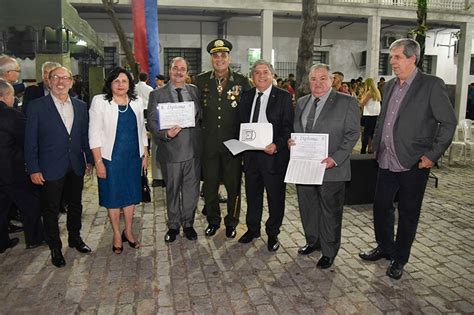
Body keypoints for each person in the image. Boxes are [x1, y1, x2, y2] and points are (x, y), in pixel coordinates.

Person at [359, 38, 457, 280]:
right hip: (386, 160)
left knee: (408, 212)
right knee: (381, 207)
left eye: (397, 57)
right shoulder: (390, 85)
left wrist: (432, 155)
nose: (392, 61)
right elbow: (384, 120)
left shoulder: (432, 85)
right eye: (391, 57)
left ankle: (399, 258)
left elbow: (448, 122)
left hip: (414, 162)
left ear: (413, 58)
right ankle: (385, 246)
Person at [289, 64, 359, 269]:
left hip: (332, 168)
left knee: (330, 212)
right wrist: (292, 142)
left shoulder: (347, 102)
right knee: (308, 208)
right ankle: (313, 241)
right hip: (306, 167)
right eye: (313, 79)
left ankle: (329, 251)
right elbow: (297, 129)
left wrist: (335, 158)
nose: (317, 83)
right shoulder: (302, 102)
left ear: (331, 80)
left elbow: (353, 134)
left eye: (322, 78)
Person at [24, 66, 93, 268]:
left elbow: (83, 136)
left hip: (75, 165)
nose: (61, 82)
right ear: (49, 81)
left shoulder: (80, 106)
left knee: (76, 205)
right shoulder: (37, 106)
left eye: (65, 78)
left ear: (71, 82)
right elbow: (30, 141)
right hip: (49, 167)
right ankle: (55, 247)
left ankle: (75, 238)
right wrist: (33, 168)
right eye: (56, 78)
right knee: (51, 209)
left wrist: (88, 159)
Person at [195, 38, 252, 238]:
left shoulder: (242, 81)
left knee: (233, 185)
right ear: (211, 59)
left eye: (223, 55)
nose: (220, 59)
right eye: (216, 55)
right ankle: (213, 220)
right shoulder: (201, 81)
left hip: (233, 144)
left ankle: (231, 221)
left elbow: (248, 113)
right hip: (209, 143)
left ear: (229, 58)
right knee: (210, 185)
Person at [89, 67, 148, 254]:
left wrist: (145, 154)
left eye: (124, 81)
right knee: (113, 198)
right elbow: (94, 133)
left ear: (130, 83)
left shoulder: (138, 102)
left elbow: (141, 130)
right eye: (116, 81)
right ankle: (116, 234)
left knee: (131, 196)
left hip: (133, 157)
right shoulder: (100, 102)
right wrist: (98, 162)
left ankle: (128, 231)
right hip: (110, 159)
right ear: (110, 84)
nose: (120, 84)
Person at [237, 60, 294, 251]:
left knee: (275, 198)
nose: (261, 76)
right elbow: (240, 124)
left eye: (266, 72)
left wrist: (277, 146)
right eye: (257, 73)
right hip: (251, 156)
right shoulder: (246, 96)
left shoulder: (284, 97)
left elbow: (288, 128)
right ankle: (253, 229)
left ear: (272, 75)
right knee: (252, 196)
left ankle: (273, 233)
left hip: (274, 157)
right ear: (252, 77)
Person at [148, 57, 202, 243]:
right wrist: (165, 134)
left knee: (191, 191)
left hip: (193, 151)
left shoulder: (194, 91)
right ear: (169, 70)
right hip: (171, 151)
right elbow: (153, 123)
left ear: (187, 73)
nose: (179, 72)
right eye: (175, 68)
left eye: (183, 69)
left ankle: (188, 224)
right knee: (172, 190)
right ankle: (173, 225)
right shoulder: (157, 94)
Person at [0, 80, 44, 253]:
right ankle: (35, 238)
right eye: (12, 95)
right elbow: (27, 138)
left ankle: (2, 242)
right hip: (12, 171)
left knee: (1, 209)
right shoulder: (10, 115)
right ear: (5, 96)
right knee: (30, 205)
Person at [360, 78, 381, 154]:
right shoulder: (377, 92)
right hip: (376, 115)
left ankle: (363, 150)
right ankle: (373, 149)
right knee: (372, 134)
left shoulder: (369, 92)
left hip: (369, 115)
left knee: (366, 134)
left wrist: (362, 94)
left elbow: (362, 102)